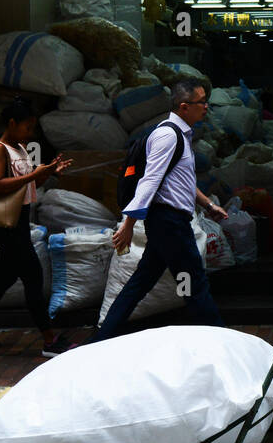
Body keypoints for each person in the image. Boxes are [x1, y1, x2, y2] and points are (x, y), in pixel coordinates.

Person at [91, 80, 229, 342]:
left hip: (168, 222)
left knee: (141, 282)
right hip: (169, 223)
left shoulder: (181, 134)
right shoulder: (168, 136)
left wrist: (208, 205)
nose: (207, 107)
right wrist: (128, 225)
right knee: (195, 284)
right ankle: (221, 342)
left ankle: (99, 339)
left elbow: (183, 182)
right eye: (202, 102)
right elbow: (150, 182)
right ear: (184, 106)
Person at [0, 97, 74, 357]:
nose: (29, 133)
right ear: (12, 123)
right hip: (6, 225)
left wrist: (48, 173)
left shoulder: (20, 147)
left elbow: (26, 187)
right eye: (27, 127)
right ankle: (50, 339)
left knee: (3, 280)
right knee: (33, 277)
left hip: (19, 221)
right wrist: (34, 174)